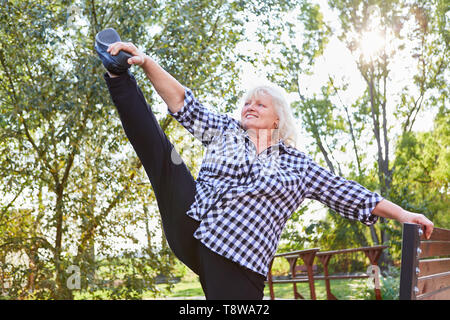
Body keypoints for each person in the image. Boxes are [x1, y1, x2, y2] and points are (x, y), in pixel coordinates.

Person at [98, 40, 434, 300]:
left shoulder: (298, 165)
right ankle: (118, 75)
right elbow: (182, 102)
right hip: (194, 223)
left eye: (260, 104)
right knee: (164, 158)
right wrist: (145, 61)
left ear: (278, 119)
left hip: (240, 259)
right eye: (247, 102)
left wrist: (403, 213)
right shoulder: (226, 130)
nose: (250, 107)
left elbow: (348, 193)